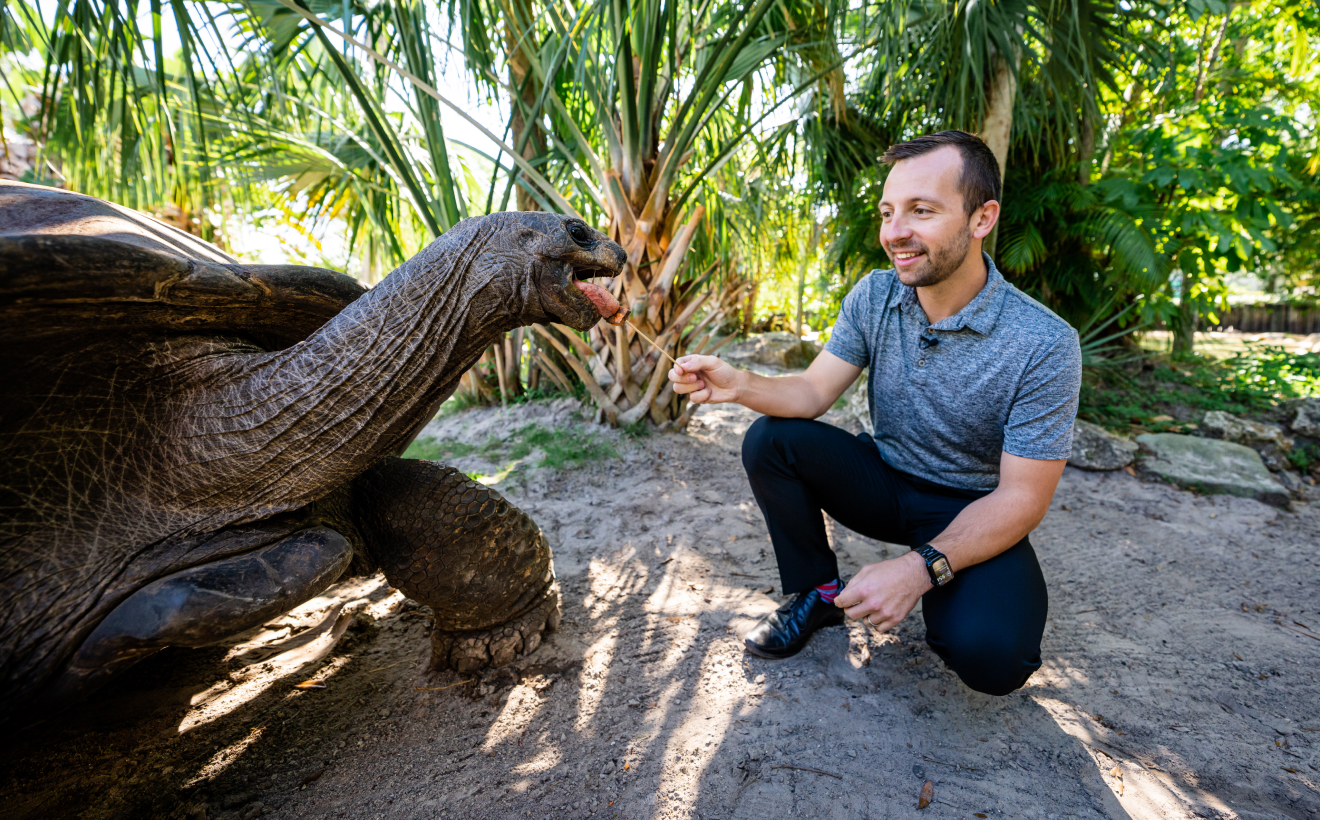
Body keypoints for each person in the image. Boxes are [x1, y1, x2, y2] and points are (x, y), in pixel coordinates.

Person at [667, 131, 1081, 696]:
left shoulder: (1044, 342)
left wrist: (919, 569)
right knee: (771, 440)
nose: (895, 232)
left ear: (982, 219)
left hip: (969, 506)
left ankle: (949, 592)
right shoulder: (876, 296)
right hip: (881, 480)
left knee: (994, 659)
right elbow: (812, 394)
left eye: (921, 211)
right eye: (888, 212)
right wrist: (739, 384)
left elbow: (1022, 500)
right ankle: (815, 595)